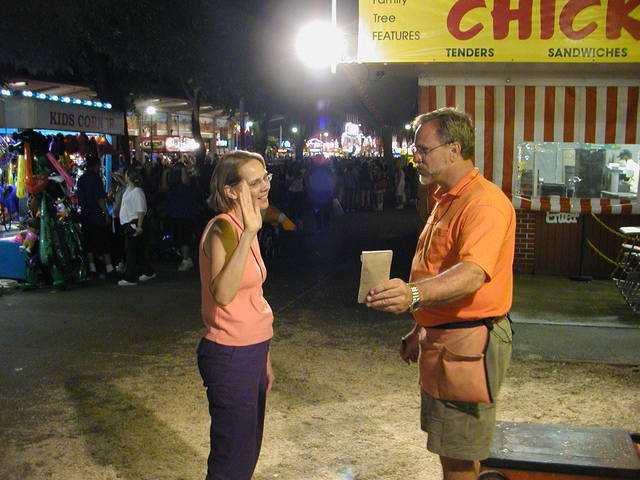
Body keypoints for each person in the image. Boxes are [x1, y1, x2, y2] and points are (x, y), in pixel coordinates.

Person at [366, 108, 515, 480]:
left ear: (454, 149)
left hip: (468, 343)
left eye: (423, 148)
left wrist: (413, 295)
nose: (415, 157)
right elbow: (441, 267)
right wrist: (421, 328)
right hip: (449, 340)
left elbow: (471, 274)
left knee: (458, 455)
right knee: (455, 448)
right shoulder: (447, 197)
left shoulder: (483, 202)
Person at [197, 150, 275, 480]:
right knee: (231, 460)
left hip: (251, 352)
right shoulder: (223, 229)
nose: (265, 186)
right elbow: (224, 294)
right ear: (231, 191)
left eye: (266, 178)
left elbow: (252, 297)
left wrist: (264, 358)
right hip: (230, 355)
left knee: (246, 453)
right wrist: (249, 234)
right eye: (254, 182)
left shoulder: (246, 225)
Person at [76, 154, 114, 277]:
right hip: (96, 215)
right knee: (103, 242)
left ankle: (92, 269)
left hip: (85, 215)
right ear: (96, 165)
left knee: (89, 243)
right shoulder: (96, 179)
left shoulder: (81, 180)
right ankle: (109, 268)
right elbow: (99, 199)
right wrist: (106, 213)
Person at [117, 169, 156, 286]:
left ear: (129, 177)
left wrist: (139, 226)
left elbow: (141, 210)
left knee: (131, 251)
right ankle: (148, 271)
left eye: (125, 175)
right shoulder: (130, 189)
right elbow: (125, 184)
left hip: (134, 223)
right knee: (137, 250)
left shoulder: (137, 192)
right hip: (129, 223)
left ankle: (130, 278)